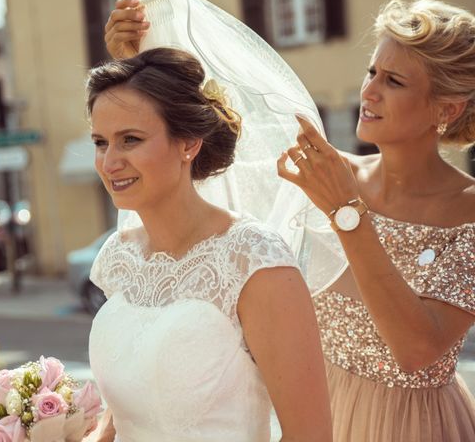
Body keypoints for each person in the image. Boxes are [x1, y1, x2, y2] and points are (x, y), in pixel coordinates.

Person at [105, 0, 475, 441]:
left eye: (394, 81)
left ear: (447, 108)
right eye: (372, 71)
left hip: (413, 426)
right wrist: (138, 71)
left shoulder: (465, 210)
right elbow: (200, 147)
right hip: (312, 410)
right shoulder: (318, 168)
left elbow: (418, 350)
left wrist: (346, 213)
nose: (369, 91)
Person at [86, 47, 332, 441]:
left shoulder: (254, 261)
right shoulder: (118, 256)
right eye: (101, 142)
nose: (109, 162)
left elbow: (311, 434)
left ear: (188, 144)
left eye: (129, 140)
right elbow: (120, 417)